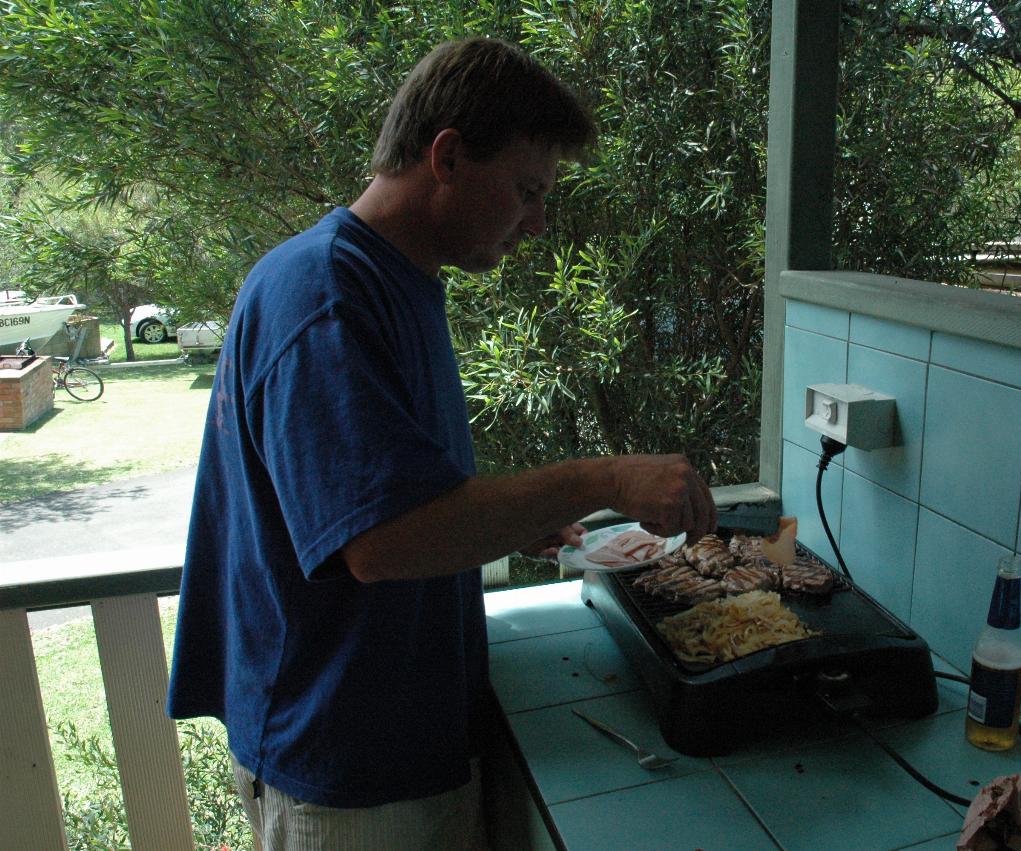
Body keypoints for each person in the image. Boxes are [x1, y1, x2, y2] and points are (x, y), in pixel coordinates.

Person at [167, 37, 717, 850]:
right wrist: (601, 477)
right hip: (348, 774)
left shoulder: (401, 279)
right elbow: (380, 541)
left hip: (398, 741)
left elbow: (395, 495)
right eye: (528, 191)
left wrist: (505, 522)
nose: (537, 223)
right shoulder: (324, 294)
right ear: (449, 157)